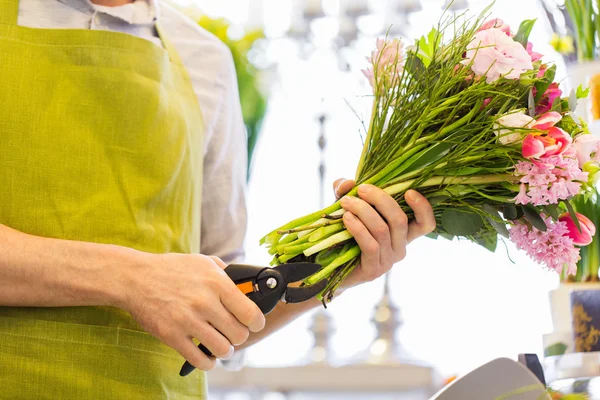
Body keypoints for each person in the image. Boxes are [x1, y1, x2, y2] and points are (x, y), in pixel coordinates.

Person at [0, 0, 437, 398]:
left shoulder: (203, 59)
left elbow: (229, 307)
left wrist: (339, 269)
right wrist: (129, 278)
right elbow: (152, 284)